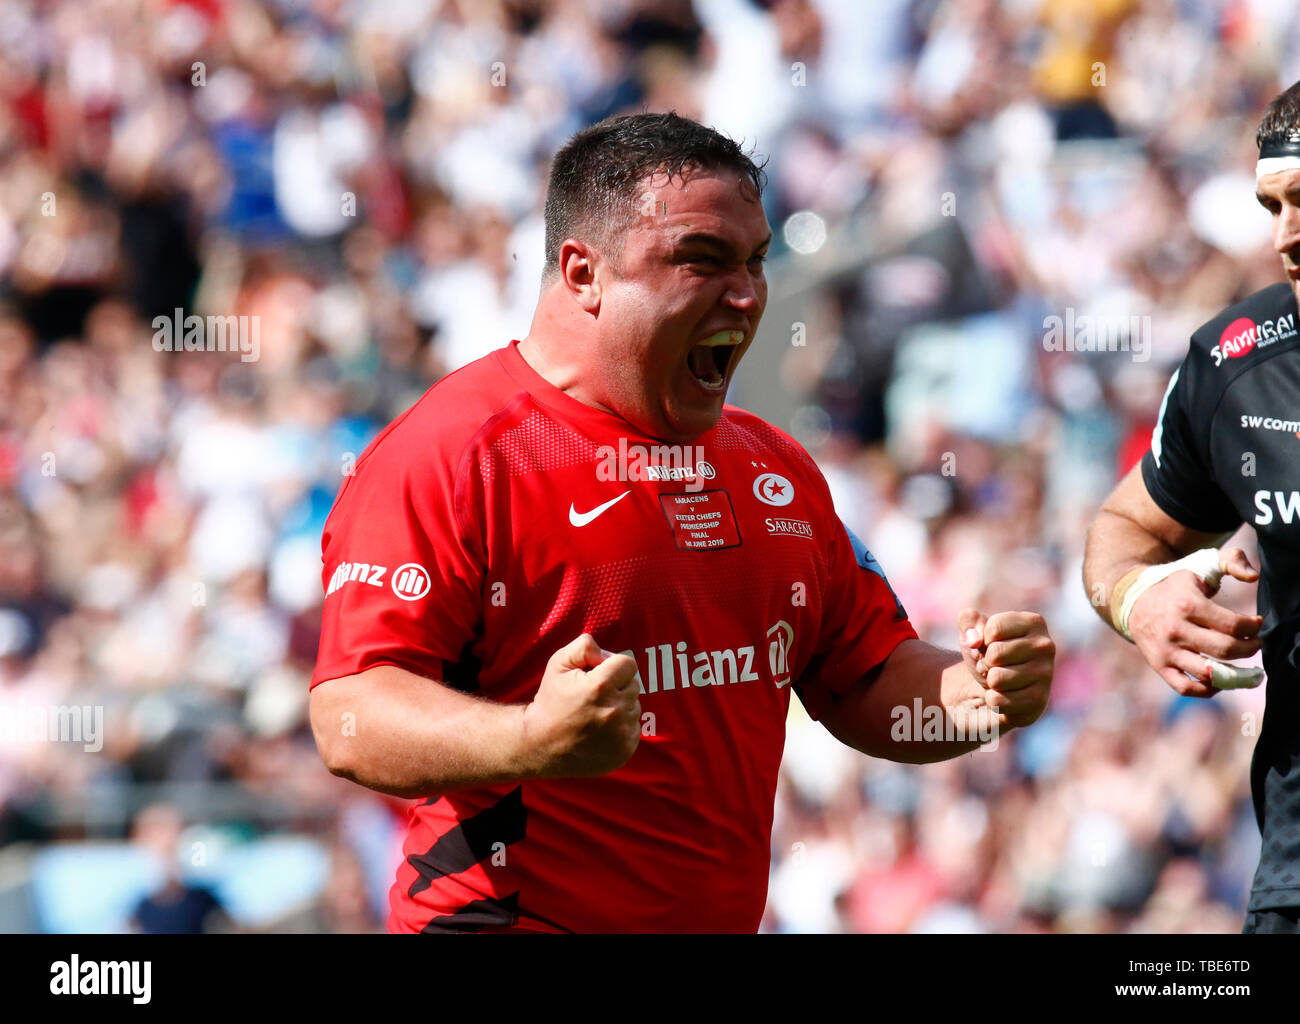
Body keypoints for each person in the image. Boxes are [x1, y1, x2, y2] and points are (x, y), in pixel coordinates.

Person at [309, 112, 1055, 934]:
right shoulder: (452, 455)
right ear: (582, 272)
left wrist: (979, 691)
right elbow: (349, 718)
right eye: (701, 259)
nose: (745, 293)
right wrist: (529, 738)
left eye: (756, 261)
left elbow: (867, 681)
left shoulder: (774, 468)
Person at [1082, 82, 1300, 935]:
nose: (1287, 236)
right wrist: (1140, 601)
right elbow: (1124, 531)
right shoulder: (1237, 364)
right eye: (1273, 205)